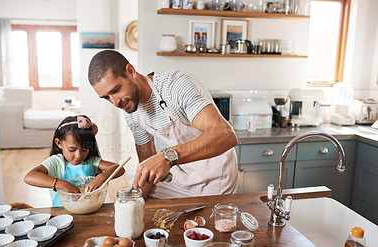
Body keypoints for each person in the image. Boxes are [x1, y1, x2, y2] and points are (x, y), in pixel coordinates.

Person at [88, 50, 238, 199]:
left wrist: (168, 157)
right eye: (106, 97)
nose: (115, 102)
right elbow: (147, 165)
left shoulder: (175, 85)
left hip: (215, 175)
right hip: (179, 173)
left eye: (116, 90)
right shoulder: (130, 109)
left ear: (131, 71)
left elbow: (225, 136)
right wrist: (132, 203)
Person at [24, 115, 125, 207]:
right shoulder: (57, 162)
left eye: (84, 149)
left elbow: (119, 169)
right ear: (59, 143)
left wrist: (102, 177)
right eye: (72, 150)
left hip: (90, 208)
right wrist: (62, 184)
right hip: (62, 213)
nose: (78, 156)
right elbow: (29, 177)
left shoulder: (92, 161)